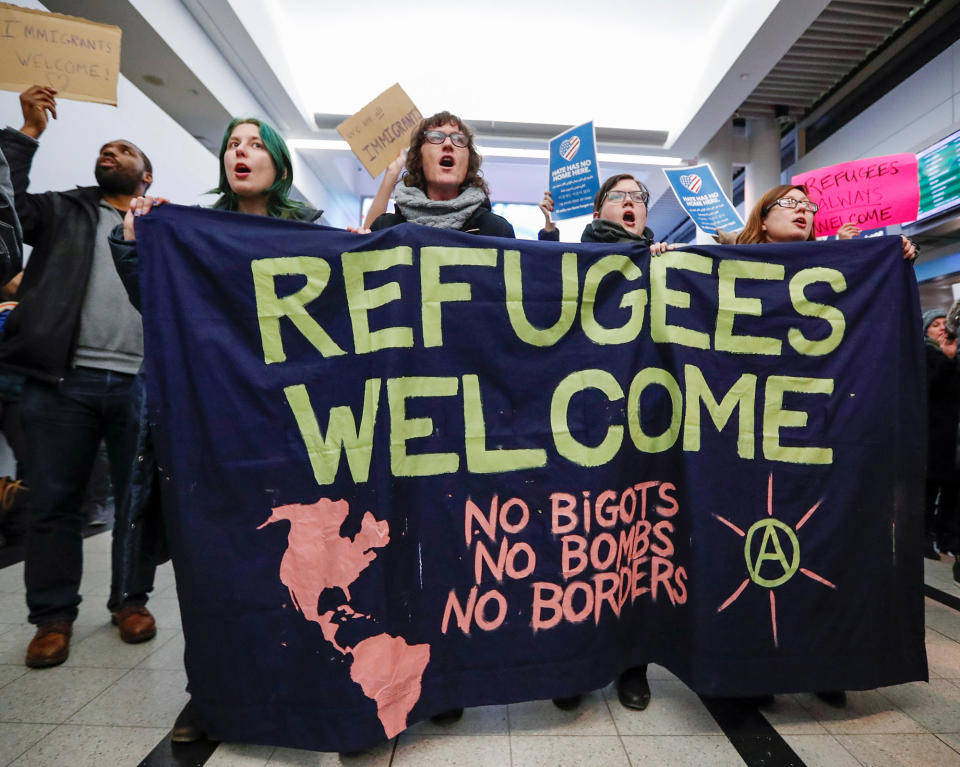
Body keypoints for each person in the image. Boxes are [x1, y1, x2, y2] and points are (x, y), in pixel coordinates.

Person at [110, 116, 319, 744]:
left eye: (256, 144)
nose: (242, 153)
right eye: (233, 144)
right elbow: (158, 305)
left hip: (290, 429)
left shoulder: (311, 232)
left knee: (299, 569)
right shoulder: (187, 230)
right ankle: (213, 697)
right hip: (216, 429)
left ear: (278, 163)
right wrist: (134, 243)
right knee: (216, 572)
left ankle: (311, 689)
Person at [0, 85, 159, 669]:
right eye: (105, 148)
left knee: (136, 504)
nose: (109, 152)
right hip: (59, 381)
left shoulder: (161, 225)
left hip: (140, 383)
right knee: (53, 503)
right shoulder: (63, 209)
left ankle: (130, 601)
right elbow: (5, 203)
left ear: (146, 173)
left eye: (123, 149)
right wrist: (27, 134)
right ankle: (52, 618)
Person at [538, 174, 675, 714]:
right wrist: (548, 237)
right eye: (619, 196)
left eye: (638, 198)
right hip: (580, 425)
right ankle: (570, 661)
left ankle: (630, 665)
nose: (631, 204)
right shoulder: (574, 257)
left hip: (643, 425)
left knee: (634, 546)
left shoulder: (664, 261)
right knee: (577, 549)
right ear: (599, 209)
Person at [369, 112, 514, 237]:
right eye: (436, 137)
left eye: (459, 139)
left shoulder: (497, 231)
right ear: (419, 157)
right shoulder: (387, 229)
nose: (448, 144)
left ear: (468, 160)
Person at [537, 176, 675, 256]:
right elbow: (547, 273)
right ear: (597, 216)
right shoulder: (579, 259)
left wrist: (667, 261)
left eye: (638, 197)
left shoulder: (657, 258)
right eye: (616, 196)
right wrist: (550, 227)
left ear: (644, 217)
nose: (629, 201)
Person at [921, 309, 960, 561]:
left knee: (952, 492)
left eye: (942, 324)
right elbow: (928, 390)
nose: (941, 328)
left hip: (951, 439)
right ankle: (922, 538)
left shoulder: (954, 356)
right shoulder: (923, 354)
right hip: (930, 438)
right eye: (935, 325)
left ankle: (948, 540)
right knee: (927, 490)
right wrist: (946, 360)